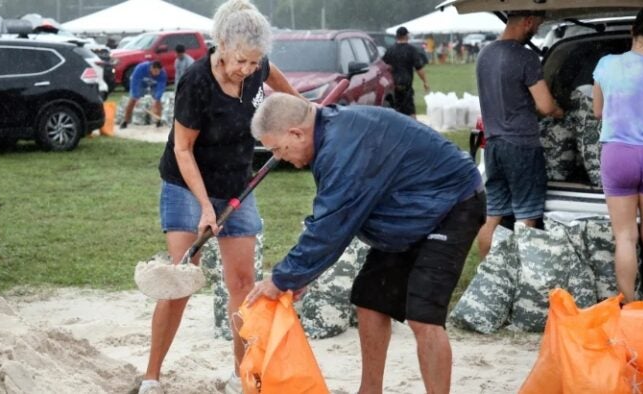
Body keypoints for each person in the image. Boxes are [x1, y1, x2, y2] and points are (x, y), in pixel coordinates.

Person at [245, 93, 486, 394]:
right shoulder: (328, 134)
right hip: (406, 212)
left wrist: (282, 279)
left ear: (296, 132)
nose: (280, 158)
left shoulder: (342, 148)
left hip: (452, 204)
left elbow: (331, 227)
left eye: (278, 149)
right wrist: (301, 274)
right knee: (370, 300)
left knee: (422, 315)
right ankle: (369, 390)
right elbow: (332, 218)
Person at [139, 1, 299, 393]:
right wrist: (205, 207)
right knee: (181, 279)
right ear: (222, 44)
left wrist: (298, 126)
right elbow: (182, 149)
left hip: (236, 186)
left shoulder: (258, 65)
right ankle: (152, 377)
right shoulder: (196, 81)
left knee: (242, 283)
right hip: (186, 183)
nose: (247, 70)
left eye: (253, 62)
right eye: (241, 61)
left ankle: (240, 376)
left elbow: (288, 94)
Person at [592, 6, 643, 304]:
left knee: (625, 237)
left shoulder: (606, 64)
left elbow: (598, 111)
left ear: (632, 31)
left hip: (618, 154)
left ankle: (628, 306)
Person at [475, 10, 564, 259]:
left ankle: (488, 273)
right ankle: (521, 276)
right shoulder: (525, 58)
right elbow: (545, 106)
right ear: (527, 22)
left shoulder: (484, 54)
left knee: (493, 216)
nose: (537, 30)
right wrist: (560, 111)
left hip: (493, 145)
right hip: (522, 146)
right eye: (537, 25)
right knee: (526, 216)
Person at [382, 26, 429, 116]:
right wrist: (425, 82)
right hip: (406, 85)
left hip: (394, 85)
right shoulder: (411, 50)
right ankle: (412, 128)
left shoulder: (390, 50)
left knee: (396, 111)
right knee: (410, 111)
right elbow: (419, 68)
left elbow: (384, 66)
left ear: (397, 36)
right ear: (406, 36)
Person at [120, 60, 167, 129]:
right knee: (132, 100)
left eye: (158, 72)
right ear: (151, 68)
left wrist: (157, 98)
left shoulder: (162, 74)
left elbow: (160, 88)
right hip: (140, 83)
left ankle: (158, 121)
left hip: (154, 85)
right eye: (155, 71)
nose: (156, 74)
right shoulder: (141, 68)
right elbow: (134, 82)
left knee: (158, 100)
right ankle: (126, 121)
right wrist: (136, 96)